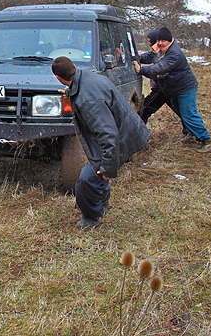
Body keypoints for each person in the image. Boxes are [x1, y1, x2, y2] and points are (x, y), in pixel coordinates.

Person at [52, 56, 151, 230]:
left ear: (58, 78)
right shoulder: (87, 78)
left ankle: (91, 216)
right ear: (74, 67)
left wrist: (108, 168)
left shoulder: (88, 100)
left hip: (121, 137)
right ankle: (103, 202)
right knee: (97, 167)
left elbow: (109, 134)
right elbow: (84, 92)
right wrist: (68, 93)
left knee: (86, 181)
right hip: (123, 130)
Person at [133, 27, 211, 154]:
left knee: (188, 114)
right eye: (159, 40)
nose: (160, 43)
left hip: (184, 89)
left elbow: (160, 67)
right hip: (173, 89)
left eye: (163, 40)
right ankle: (189, 133)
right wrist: (140, 58)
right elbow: (152, 56)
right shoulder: (162, 50)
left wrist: (142, 70)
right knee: (182, 113)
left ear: (170, 40)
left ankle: (206, 141)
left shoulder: (174, 54)